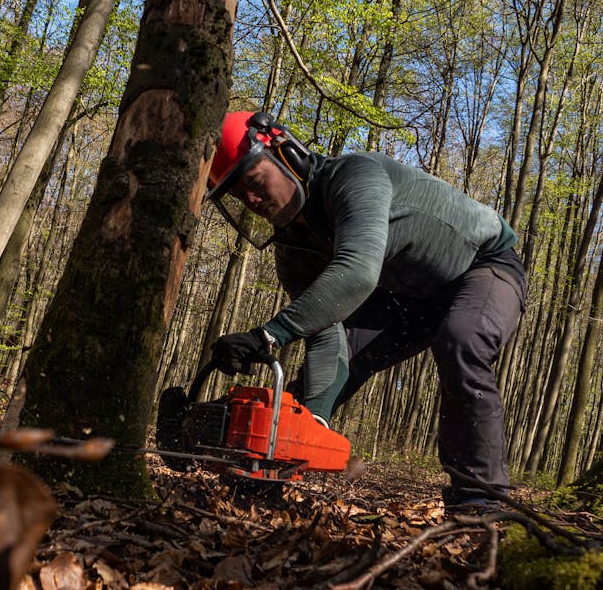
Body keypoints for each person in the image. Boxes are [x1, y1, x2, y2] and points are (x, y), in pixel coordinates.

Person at [205, 111, 526, 510]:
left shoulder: (356, 176)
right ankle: (267, 474)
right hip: (407, 298)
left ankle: (480, 500)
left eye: (254, 183)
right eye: (239, 196)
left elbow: (357, 271)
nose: (252, 201)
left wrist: (267, 335)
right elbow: (326, 330)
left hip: (483, 265)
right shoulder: (293, 252)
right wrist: (316, 417)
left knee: (461, 339)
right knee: (330, 369)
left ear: (288, 154)